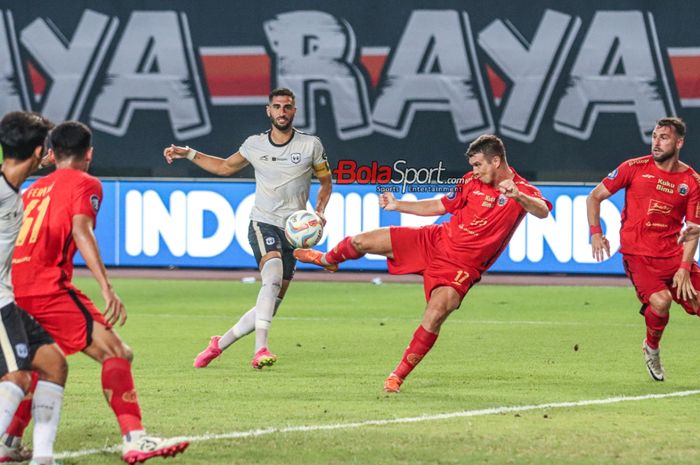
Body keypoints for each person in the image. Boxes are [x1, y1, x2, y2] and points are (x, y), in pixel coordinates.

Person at [295, 134, 551, 392]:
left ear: (496, 161)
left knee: (436, 313)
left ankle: (397, 375)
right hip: (433, 241)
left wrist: (519, 197)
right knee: (362, 241)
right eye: (472, 165)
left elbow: (542, 210)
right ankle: (328, 260)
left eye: (478, 165)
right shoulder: (470, 182)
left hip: (461, 267)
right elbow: (440, 205)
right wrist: (398, 205)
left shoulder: (522, 189)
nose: (474, 170)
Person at [9, 121, 189, 464]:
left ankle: (9, 442)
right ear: (88, 153)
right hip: (48, 289)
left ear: (52, 152)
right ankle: (135, 438)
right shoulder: (86, 182)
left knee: (42, 367)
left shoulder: (31, 190)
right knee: (116, 352)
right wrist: (106, 287)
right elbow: (82, 230)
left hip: (15, 291)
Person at [163, 87, 332, 369]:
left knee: (271, 304)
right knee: (272, 276)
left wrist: (320, 211)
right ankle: (260, 349)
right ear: (268, 110)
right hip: (263, 221)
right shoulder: (254, 145)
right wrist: (188, 153)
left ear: (294, 111)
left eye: (287, 107)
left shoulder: (310, 145)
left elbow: (326, 181)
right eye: (276, 106)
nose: (282, 112)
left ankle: (219, 344)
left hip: (294, 231)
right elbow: (225, 167)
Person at [587, 116, 700, 382]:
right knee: (661, 301)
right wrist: (596, 233)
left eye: (664, 138)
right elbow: (595, 196)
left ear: (679, 142)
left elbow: (693, 229)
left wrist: (684, 267)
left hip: (673, 256)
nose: (656, 143)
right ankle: (652, 348)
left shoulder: (692, 181)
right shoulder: (633, 167)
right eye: (654, 137)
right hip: (638, 256)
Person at [0, 111, 68, 465]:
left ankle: (43, 459)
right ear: (38, 151)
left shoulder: (14, 191)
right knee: (18, 375)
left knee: (54, 365)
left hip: (7, 300)